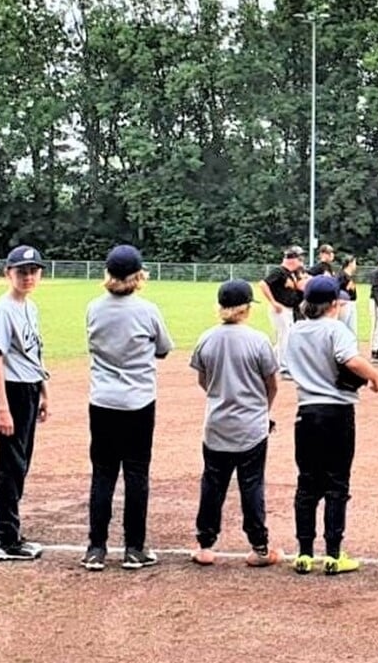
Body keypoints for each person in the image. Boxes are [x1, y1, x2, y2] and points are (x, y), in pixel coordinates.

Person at [83, 245, 174, 572]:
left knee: (103, 473)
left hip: (103, 401)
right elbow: (163, 348)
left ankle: (96, 548)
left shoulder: (94, 308)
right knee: (136, 472)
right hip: (138, 401)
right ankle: (134, 548)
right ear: (138, 275)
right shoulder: (147, 309)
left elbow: (92, 345)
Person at [287, 274, 378, 575]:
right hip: (337, 412)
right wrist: (375, 377)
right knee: (336, 482)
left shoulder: (294, 330)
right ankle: (333, 554)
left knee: (307, 482)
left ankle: (304, 553)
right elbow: (350, 360)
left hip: (306, 412)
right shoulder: (335, 329)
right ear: (333, 304)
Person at [190, 279, 280, 568]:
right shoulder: (258, 340)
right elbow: (272, 384)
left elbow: (203, 379)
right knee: (251, 485)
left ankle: (205, 545)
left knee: (212, 484)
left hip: (216, 424)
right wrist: (261, 410)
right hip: (251, 426)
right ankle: (260, 547)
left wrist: (221, 396)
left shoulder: (206, 338)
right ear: (245, 309)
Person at [0, 244, 49, 562]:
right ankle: (6, 539)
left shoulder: (30, 306)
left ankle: (11, 531)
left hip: (28, 388)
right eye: (21, 271)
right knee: (11, 466)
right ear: (7, 273)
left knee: (21, 463)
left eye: (32, 271)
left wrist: (44, 391)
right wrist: (2, 407)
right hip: (11, 391)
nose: (28, 276)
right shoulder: (3, 309)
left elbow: (33, 352)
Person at [261, 245, 308, 364]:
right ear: (292, 259)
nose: (301, 261)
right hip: (281, 309)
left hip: (290, 309)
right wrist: (273, 302)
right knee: (285, 337)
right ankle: (283, 366)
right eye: (299, 258)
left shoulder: (290, 273)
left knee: (285, 337)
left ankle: (269, 361)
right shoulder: (279, 271)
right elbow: (263, 284)